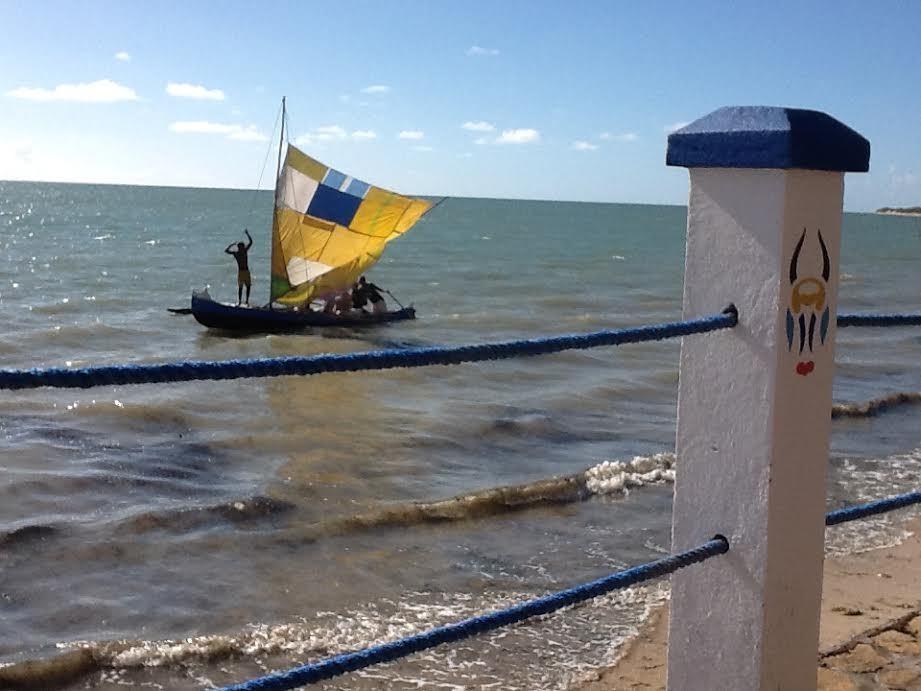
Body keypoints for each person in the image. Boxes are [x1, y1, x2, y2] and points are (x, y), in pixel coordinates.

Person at [225, 230, 253, 305]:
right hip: (241, 272)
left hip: (246, 271)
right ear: (239, 248)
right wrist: (232, 244)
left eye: (243, 247)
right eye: (241, 247)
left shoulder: (244, 251)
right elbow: (226, 251)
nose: (243, 248)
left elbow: (251, 242)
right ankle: (240, 301)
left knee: (248, 287)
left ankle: (247, 301)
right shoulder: (237, 253)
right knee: (241, 288)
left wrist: (248, 234)